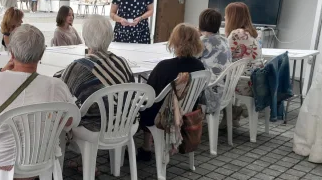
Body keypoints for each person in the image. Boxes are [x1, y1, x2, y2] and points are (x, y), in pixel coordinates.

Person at [0, 24, 75, 180]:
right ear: (42, 54)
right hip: (41, 155)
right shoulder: (56, 85)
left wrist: (3, 70)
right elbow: (70, 121)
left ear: (11, 53)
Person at [138, 23, 205, 161]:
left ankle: (146, 147)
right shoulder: (199, 66)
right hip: (187, 112)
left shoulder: (164, 66)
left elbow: (150, 93)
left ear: (174, 42)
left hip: (164, 116)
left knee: (143, 106)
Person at [60, 15, 134, 130]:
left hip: (94, 127)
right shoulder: (121, 62)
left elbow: (62, 91)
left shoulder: (77, 67)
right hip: (125, 123)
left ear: (85, 38)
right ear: (110, 36)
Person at [225, 2, 263, 96]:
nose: (225, 17)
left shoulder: (236, 34)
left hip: (242, 82)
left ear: (233, 17)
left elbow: (224, 57)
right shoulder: (251, 33)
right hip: (255, 82)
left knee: (208, 82)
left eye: (226, 15)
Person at [198, 8, 232, 113]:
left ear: (201, 23)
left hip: (210, 92)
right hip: (225, 89)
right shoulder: (224, 39)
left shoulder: (203, 41)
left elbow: (188, 58)